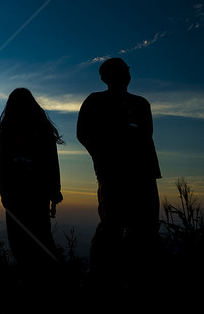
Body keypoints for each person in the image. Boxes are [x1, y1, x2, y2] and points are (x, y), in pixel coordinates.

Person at [77, 57, 161, 290]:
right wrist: (103, 158)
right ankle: (100, 278)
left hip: (144, 172)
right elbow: (84, 133)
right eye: (120, 71)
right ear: (106, 77)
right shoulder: (95, 101)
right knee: (111, 225)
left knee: (144, 226)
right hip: (113, 173)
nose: (125, 75)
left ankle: (136, 276)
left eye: (126, 70)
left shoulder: (141, 104)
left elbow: (147, 135)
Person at [0, 88, 64, 279]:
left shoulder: (10, 130)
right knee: (39, 237)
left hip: (20, 193)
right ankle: (46, 280)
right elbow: (52, 161)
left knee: (23, 241)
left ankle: (35, 280)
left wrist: (4, 194)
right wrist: (54, 190)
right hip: (32, 193)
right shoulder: (40, 129)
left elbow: (3, 168)